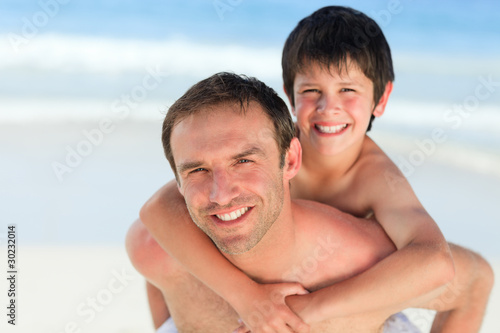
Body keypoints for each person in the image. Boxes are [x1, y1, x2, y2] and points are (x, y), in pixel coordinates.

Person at [134, 6, 494, 332]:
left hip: (351, 293)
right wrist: (247, 298)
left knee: (475, 277)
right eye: (311, 91)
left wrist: (309, 308)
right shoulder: (270, 148)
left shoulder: (374, 175)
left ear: (380, 100)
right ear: (290, 96)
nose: (328, 108)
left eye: (348, 89)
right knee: (158, 244)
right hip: (277, 269)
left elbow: (433, 260)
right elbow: (157, 209)